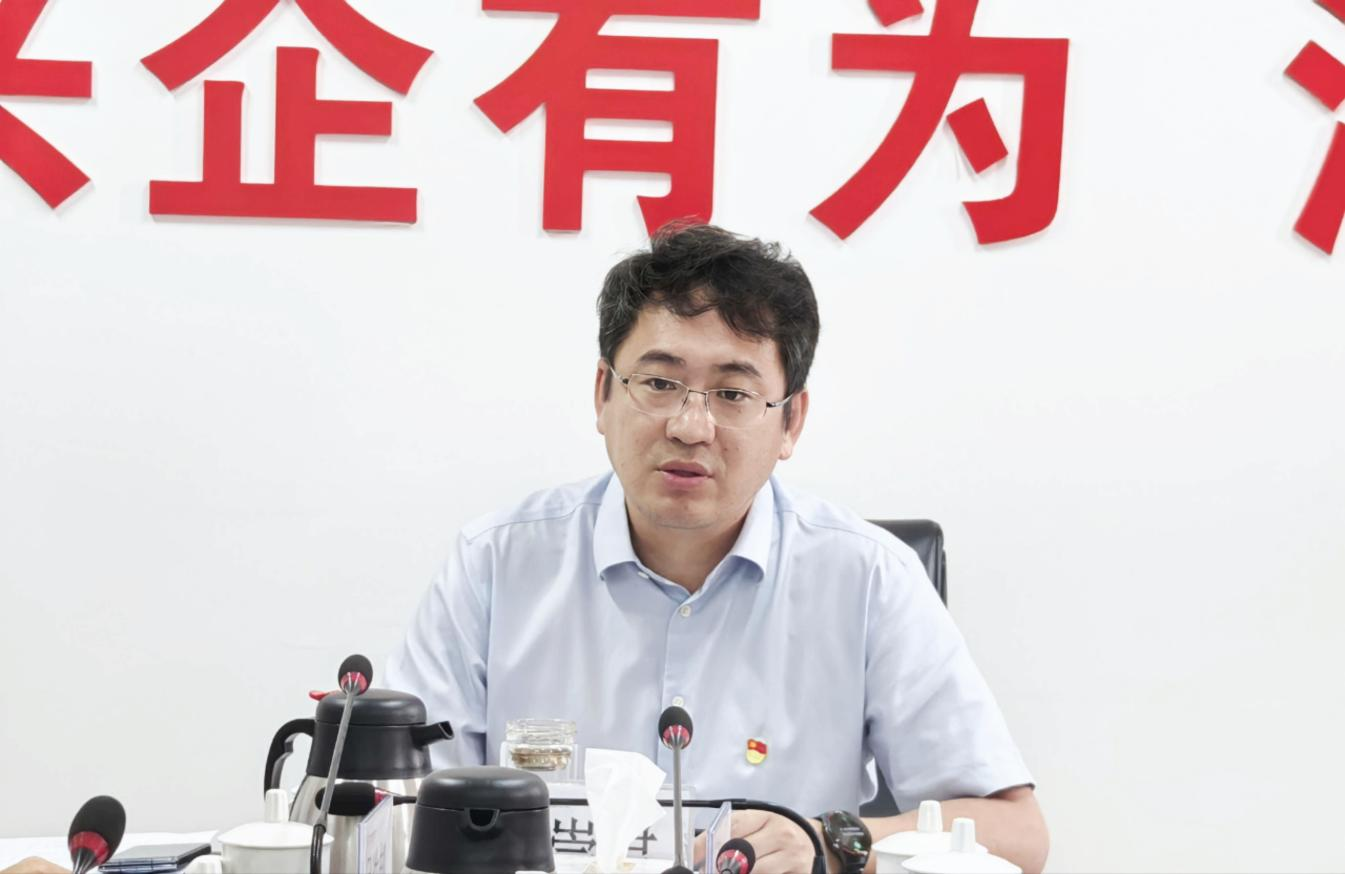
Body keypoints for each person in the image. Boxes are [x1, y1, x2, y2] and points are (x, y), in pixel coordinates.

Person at [386, 223, 1048, 873]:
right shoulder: (495, 563)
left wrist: (825, 843)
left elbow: (1016, 834)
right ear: (602, 394)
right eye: (659, 383)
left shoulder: (868, 577)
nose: (689, 425)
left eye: (733, 394)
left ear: (790, 421)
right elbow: (396, 807)